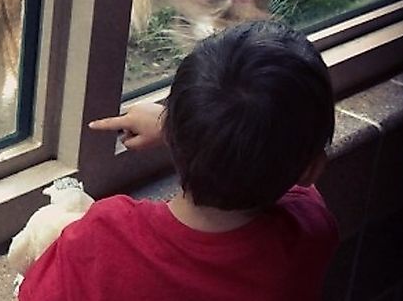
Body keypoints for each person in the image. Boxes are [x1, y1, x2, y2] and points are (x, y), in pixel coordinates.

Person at [18, 20, 339, 301]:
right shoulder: (308, 233)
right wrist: (179, 129)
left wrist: (176, 127)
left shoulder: (105, 237)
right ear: (311, 168)